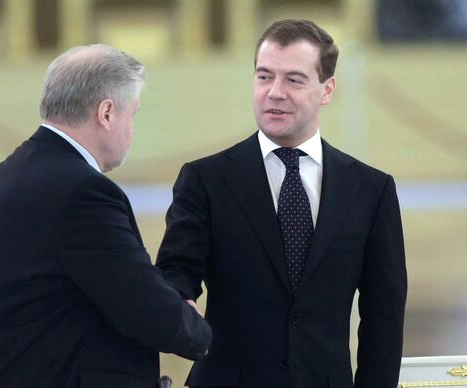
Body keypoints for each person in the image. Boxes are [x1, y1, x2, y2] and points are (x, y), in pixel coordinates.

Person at [156, 19, 407, 388]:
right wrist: (177, 301)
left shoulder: (371, 189)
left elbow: (384, 315)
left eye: (294, 79)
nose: (274, 92)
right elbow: (176, 271)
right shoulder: (205, 180)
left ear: (327, 89)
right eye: (263, 76)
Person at [0, 44, 211, 388]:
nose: (133, 130)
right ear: (106, 113)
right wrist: (197, 327)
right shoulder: (82, 193)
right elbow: (145, 309)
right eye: (133, 115)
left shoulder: (14, 172)